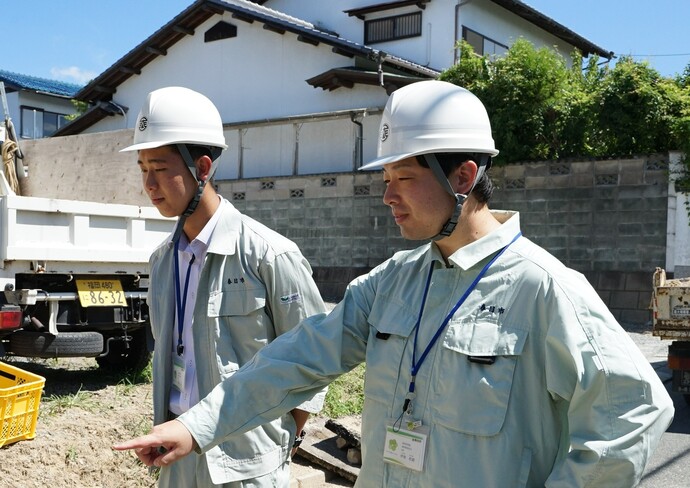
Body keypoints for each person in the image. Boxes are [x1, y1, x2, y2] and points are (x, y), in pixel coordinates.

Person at [115, 80, 675, 487]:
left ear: (463, 177)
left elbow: (633, 411)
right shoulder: (392, 283)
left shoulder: (544, 288)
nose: (387, 196)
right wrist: (195, 426)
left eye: (403, 177)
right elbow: (292, 360)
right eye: (385, 178)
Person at [116, 86, 327, 487]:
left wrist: (286, 439)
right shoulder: (162, 262)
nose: (149, 182)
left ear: (203, 168)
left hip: (246, 465)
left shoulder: (268, 255)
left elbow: (315, 357)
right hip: (176, 454)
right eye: (143, 168)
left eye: (160, 167)